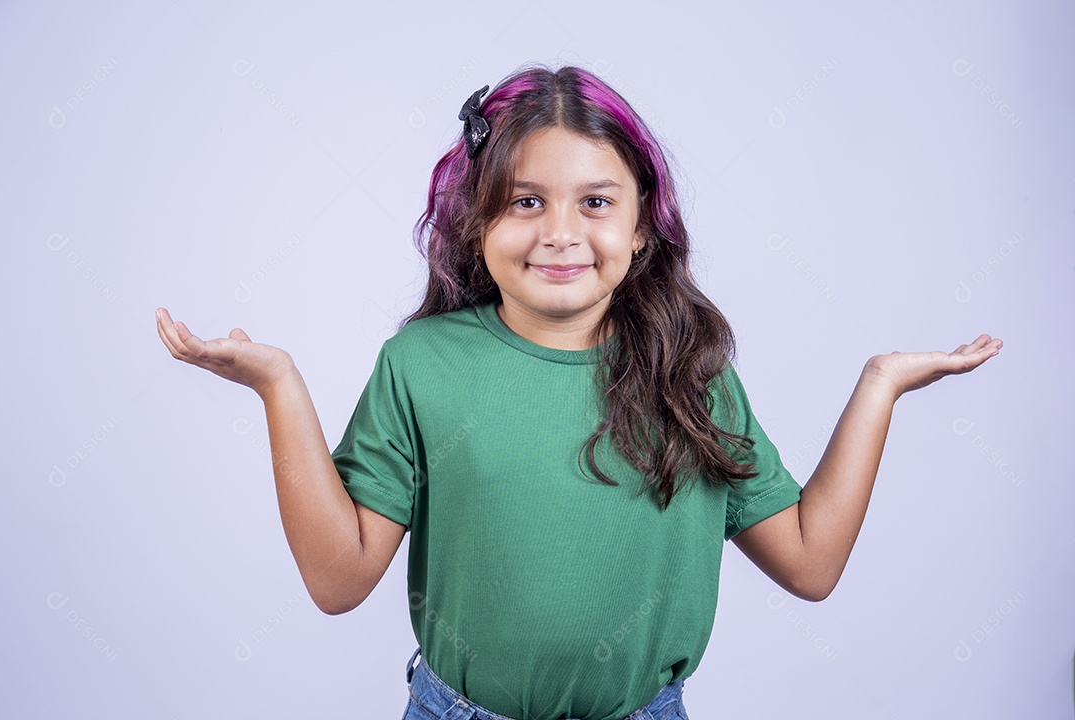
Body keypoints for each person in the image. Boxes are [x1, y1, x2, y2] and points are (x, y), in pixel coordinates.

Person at [155, 62, 1002, 720]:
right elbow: (338, 583)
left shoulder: (690, 370)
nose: (561, 231)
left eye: (595, 202)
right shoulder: (422, 364)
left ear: (640, 228)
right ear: (477, 221)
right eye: (525, 200)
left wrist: (879, 387)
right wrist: (279, 386)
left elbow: (812, 564)